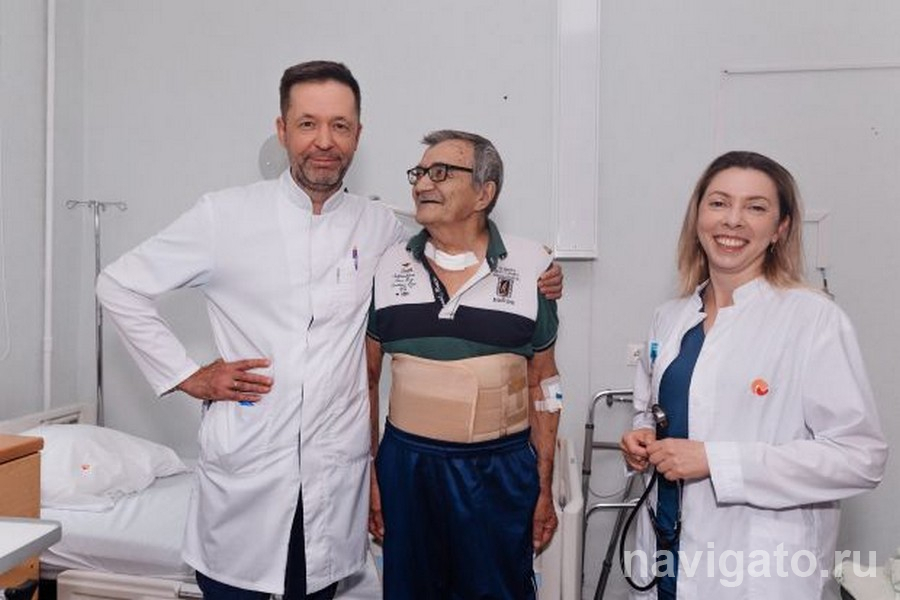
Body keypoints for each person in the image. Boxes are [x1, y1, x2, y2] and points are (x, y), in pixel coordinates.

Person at [96, 61, 562, 600]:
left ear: (357, 135)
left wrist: (537, 270)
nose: (324, 141)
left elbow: (458, 233)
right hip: (247, 475)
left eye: (340, 126)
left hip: (333, 481)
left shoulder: (380, 227)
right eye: (308, 124)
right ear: (282, 130)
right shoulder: (224, 216)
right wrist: (187, 375)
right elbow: (118, 285)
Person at [619, 151, 888, 599]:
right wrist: (642, 438)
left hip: (758, 571)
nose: (733, 220)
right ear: (698, 216)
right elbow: (652, 411)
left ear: (780, 228)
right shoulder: (669, 318)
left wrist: (717, 461)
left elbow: (860, 458)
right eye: (719, 203)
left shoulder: (813, 319)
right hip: (666, 553)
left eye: (756, 207)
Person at [366, 130, 562, 600]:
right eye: (418, 173)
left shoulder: (533, 265)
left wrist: (544, 485)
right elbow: (366, 382)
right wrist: (369, 475)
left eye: (440, 173)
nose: (421, 184)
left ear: (483, 192)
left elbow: (544, 382)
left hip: (499, 469)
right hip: (407, 468)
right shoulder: (388, 265)